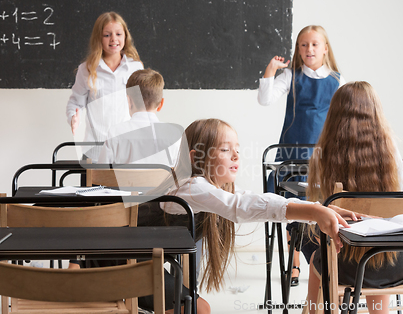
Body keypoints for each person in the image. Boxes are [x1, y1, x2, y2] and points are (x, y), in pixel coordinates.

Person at [138, 118, 360, 314]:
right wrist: (314, 211)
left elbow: (250, 198)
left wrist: (319, 206)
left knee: (198, 307)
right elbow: (240, 206)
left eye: (237, 149)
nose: (236, 155)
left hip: (139, 260)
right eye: (225, 149)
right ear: (196, 159)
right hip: (122, 262)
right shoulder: (190, 187)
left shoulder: (206, 191)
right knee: (200, 308)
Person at [305, 82, 403, 314]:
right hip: (395, 263)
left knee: (317, 260)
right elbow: (396, 204)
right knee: (376, 254)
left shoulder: (323, 155)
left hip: (343, 263)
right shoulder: (392, 154)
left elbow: (321, 212)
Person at [257, 25, 346, 285]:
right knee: (292, 206)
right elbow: (265, 100)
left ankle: (321, 259)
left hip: (324, 159)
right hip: (292, 155)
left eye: (315, 44)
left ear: (325, 48)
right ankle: (293, 263)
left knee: (321, 205)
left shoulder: (338, 79)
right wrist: (271, 71)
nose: (309, 49)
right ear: (298, 49)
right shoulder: (291, 76)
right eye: (304, 45)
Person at [66, 11, 143, 162]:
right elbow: (75, 103)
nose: (113, 39)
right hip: (95, 150)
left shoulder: (136, 68)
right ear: (98, 38)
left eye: (118, 34)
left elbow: (142, 106)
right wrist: (73, 118)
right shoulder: (86, 69)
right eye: (107, 35)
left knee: (127, 186)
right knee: (96, 186)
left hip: (127, 147)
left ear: (125, 36)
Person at [98, 68, 182, 167]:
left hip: (125, 182)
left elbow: (101, 173)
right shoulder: (174, 135)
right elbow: (180, 176)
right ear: (161, 104)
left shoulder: (115, 132)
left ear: (129, 101)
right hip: (162, 183)